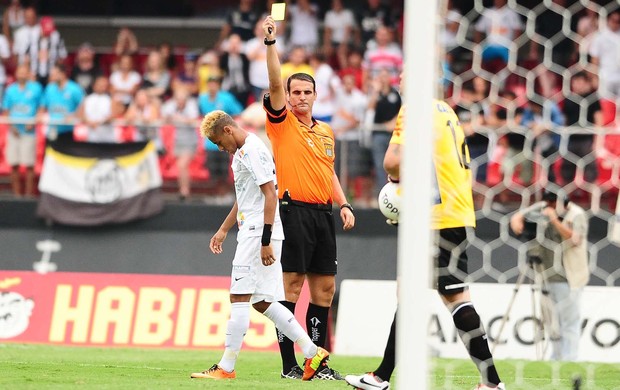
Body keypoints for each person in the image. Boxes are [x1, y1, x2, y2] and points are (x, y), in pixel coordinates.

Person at [345, 73, 505, 390]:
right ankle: (490, 382)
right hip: (456, 211)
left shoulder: (414, 109)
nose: (401, 78)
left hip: (435, 217)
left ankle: (380, 378)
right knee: (447, 296)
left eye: (407, 74)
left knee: (425, 295)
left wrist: (396, 183)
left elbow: (392, 161)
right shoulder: (446, 112)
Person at [190, 110, 329, 381]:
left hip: (257, 233)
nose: (221, 149)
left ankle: (226, 367)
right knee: (263, 301)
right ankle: (313, 352)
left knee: (239, 296)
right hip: (254, 229)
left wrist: (265, 240)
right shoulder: (242, 152)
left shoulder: (253, 150)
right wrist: (223, 230)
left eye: (219, 142)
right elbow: (244, 197)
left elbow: (270, 195)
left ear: (228, 130)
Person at [262, 15, 355, 380]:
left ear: (316, 95)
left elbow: (327, 171)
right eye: (294, 92)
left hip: (323, 213)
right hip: (293, 210)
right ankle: (290, 365)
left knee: (325, 290)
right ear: (286, 95)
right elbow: (273, 80)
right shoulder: (281, 124)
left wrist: (344, 203)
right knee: (292, 287)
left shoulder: (327, 131)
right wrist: (271, 44)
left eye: (306, 92)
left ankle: (319, 364)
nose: (300, 98)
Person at [509, 190, 590, 361]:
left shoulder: (577, 214)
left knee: (569, 321)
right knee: (552, 323)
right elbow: (520, 215)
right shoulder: (544, 207)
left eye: (552, 205)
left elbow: (575, 240)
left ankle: (570, 359)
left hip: (569, 277)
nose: (548, 208)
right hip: (545, 275)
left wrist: (553, 219)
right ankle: (556, 357)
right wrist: (517, 218)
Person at [2, 64, 42, 197]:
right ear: (16, 74)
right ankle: (16, 195)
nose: (22, 75)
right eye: (20, 72)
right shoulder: (10, 90)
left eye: (24, 72)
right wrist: (11, 126)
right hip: (14, 132)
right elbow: (6, 110)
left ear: (28, 74)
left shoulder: (36, 89)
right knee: (14, 164)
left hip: (29, 132)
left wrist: (33, 121)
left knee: (30, 164)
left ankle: (29, 195)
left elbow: (41, 108)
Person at [38, 62, 84, 144]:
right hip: (52, 129)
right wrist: (40, 115)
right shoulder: (49, 88)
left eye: (54, 74)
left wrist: (74, 115)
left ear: (62, 74)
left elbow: (83, 105)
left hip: (67, 130)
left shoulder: (74, 88)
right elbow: (43, 105)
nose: (52, 76)